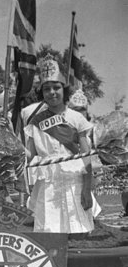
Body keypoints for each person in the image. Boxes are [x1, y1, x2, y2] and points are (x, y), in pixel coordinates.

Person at [25, 53, 94, 233]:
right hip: (48, 183)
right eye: (47, 89)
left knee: (77, 229)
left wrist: (87, 189)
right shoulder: (35, 121)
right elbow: (29, 155)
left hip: (74, 183)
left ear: (64, 90)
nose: (52, 92)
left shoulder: (77, 118)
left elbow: (86, 159)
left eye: (56, 87)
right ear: (42, 93)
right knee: (49, 232)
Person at [68, 88, 102, 219]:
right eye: (75, 111)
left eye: (82, 110)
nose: (79, 114)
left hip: (88, 170)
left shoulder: (91, 130)